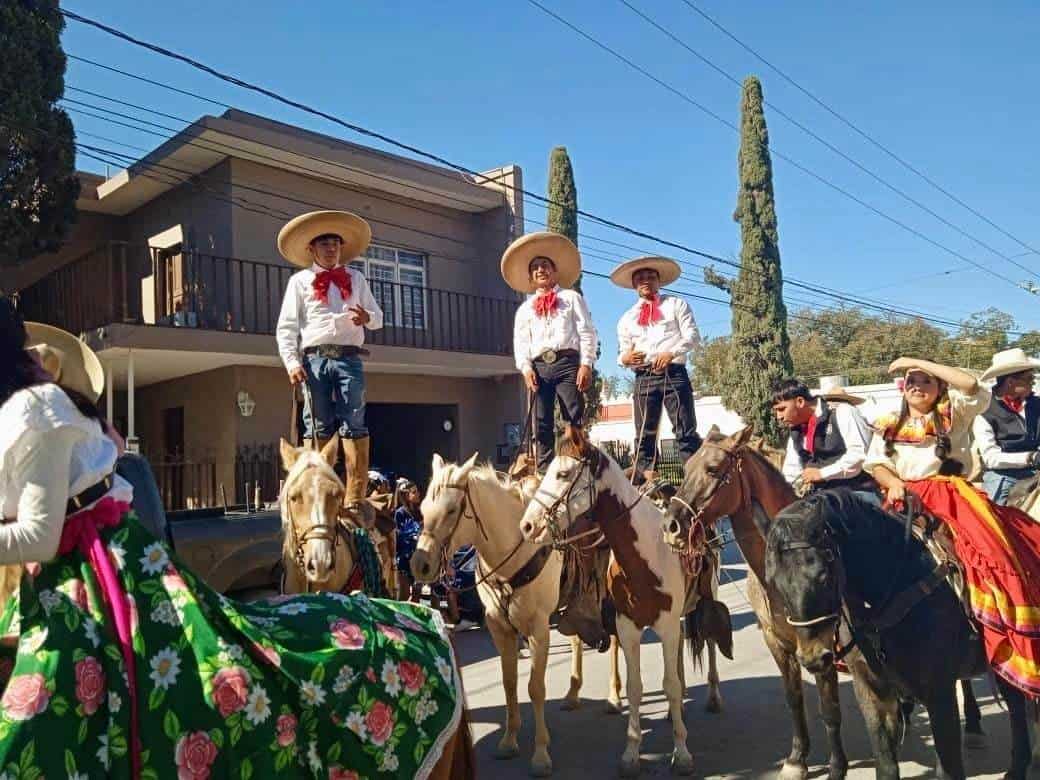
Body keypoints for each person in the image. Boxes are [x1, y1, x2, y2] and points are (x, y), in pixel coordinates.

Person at [0, 296, 463, 777]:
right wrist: (294, 363)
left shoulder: (37, 410)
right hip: (65, 568)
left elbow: (38, 531)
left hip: (97, 564)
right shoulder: (33, 413)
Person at [864, 356, 1040, 697]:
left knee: (993, 557)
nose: (916, 385)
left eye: (925, 381)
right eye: (910, 381)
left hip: (949, 496)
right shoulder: (888, 421)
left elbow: (971, 385)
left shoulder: (953, 413)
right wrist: (891, 481)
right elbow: (876, 463)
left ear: (939, 387)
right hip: (903, 498)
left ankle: (992, 631)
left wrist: (915, 360)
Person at [276, 210, 383, 522]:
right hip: (315, 359)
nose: (331, 247)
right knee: (317, 423)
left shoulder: (357, 279)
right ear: (312, 249)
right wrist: (292, 362)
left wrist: (367, 319)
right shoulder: (299, 282)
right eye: (323, 242)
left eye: (335, 242)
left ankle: (354, 496)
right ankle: (316, 486)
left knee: (355, 420)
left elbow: (377, 318)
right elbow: (287, 328)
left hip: (350, 357)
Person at [503, 232, 598, 472]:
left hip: (567, 362)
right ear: (531, 276)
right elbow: (520, 342)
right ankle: (544, 469)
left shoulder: (571, 298)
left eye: (545, 265)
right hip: (539, 367)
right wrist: (525, 369)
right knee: (541, 421)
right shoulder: (525, 309)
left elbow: (587, 331)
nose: (540, 270)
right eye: (535, 267)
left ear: (554, 271)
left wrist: (586, 364)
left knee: (573, 415)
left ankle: (578, 461)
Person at [612, 256, 702, 482]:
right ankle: (645, 482)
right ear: (634, 284)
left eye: (650, 277)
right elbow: (622, 354)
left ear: (659, 281)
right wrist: (627, 358)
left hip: (674, 373)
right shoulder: (626, 318)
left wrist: (671, 352)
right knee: (644, 435)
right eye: (640, 278)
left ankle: (694, 479)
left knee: (685, 431)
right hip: (644, 376)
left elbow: (692, 336)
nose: (645, 281)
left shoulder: (676, 304)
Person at [772, 377, 878, 501]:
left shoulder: (843, 411)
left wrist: (821, 474)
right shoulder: (796, 431)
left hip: (857, 492)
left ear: (800, 402)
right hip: (820, 498)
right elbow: (791, 472)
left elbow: (859, 456)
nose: (779, 417)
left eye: (781, 409)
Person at [972, 348, 1040, 505]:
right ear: (1011, 382)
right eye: (1029, 379)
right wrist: (1030, 458)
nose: (1033, 382)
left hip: (1036, 473)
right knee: (993, 520)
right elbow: (991, 458)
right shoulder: (984, 409)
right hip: (1004, 476)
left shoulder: (1036, 404)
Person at [393, 479, 424, 602]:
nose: (418, 494)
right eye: (414, 492)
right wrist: (413, 536)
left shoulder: (420, 512)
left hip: (418, 557)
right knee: (404, 594)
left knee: (417, 593)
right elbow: (398, 534)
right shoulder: (400, 513)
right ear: (406, 495)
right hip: (404, 560)